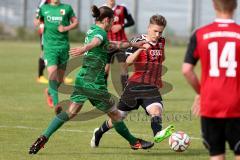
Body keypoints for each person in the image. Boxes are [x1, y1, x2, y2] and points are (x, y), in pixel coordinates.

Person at [29, 5, 154, 155]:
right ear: (106, 20)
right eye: (112, 21)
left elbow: (111, 45)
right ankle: (134, 142)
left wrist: (133, 44)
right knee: (115, 115)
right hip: (94, 83)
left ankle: (43, 137)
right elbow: (96, 41)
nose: (113, 24)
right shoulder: (100, 33)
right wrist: (85, 48)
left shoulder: (93, 29)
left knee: (71, 112)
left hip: (83, 78)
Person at [91, 14, 175, 148]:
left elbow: (161, 57)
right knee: (118, 117)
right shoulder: (138, 40)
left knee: (156, 110)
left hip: (151, 87)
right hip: (134, 87)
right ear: (148, 28)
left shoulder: (161, 41)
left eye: (160, 32)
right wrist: (141, 49)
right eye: (155, 31)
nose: (157, 34)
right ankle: (99, 132)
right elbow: (126, 63)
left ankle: (158, 133)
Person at [182, 0, 240, 159]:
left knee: (216, 154)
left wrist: (202, 93)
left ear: (214, 5)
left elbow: (187, 70)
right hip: (237, 104)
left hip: (211, 105)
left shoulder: (200, 34)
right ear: (235, 6)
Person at [34, 0, 78, 107]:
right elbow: (37, 21)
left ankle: (49, 91)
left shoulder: (67, 8)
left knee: (60, 81)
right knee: (52, 74)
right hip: (50, 48)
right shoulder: (44, 8)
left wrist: (66, 28)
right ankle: (56, 104)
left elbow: (76, 23)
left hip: (63, 47)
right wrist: (38, 22)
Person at [35, 0, 73, 84]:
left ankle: (60, 76)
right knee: (44, 52)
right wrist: (40, 23)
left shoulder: (65, 7)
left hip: (61, 42)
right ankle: (40, 75)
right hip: (47, 34)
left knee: (47, 54)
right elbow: (38, 13)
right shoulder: (44, 3)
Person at [104, 0, 135, 90]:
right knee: (105, 69)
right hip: (108, 43)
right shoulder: (102, 9)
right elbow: (98, 24)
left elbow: (131, 21)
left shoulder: (122, 8)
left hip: (121, 43)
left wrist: (121, 25)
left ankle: (125, 92)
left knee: (123, 67)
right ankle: (103, 92)